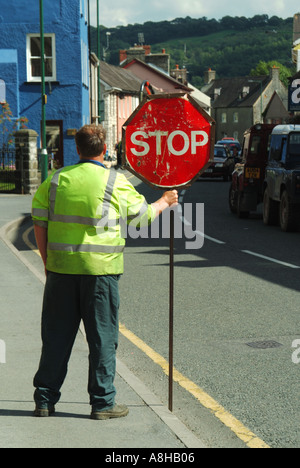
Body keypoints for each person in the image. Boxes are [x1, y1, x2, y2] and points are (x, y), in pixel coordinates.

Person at [31, 124, 178, 420]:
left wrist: (48, 264)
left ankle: (45, 401)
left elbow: (39, 223)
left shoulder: (56, 180)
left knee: (56, 338)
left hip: (61, 272)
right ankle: (102, 403)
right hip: (101, 274)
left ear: (78, 149)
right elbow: (142, 218)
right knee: (102, 339)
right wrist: (165, 201)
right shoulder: (116, 181)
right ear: (104, 149)